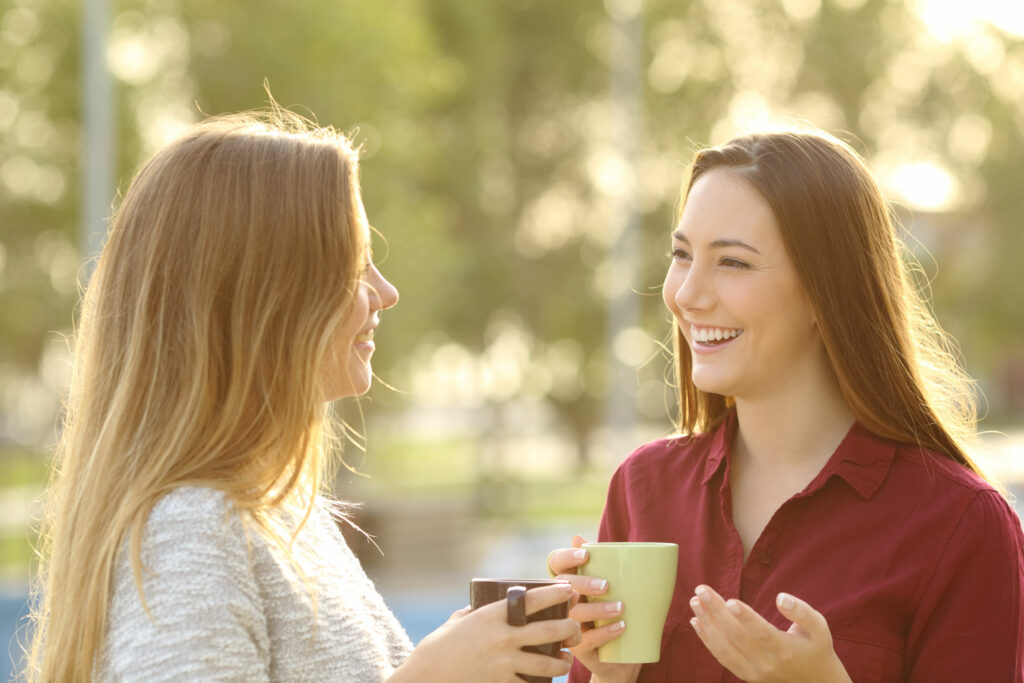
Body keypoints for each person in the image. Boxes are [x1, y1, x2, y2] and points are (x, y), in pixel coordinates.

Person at [24, 107, 581, 682]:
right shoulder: (189, 529)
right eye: (352, 264)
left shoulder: (285, 516)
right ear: (262, 298)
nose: (385, 293)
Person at [548, 129, 1024, 682]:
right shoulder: (642, 489)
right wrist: (608, 678)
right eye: (681, 255)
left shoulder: (961, 525)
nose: (687, 293)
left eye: (733, 263)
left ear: (827, 292)